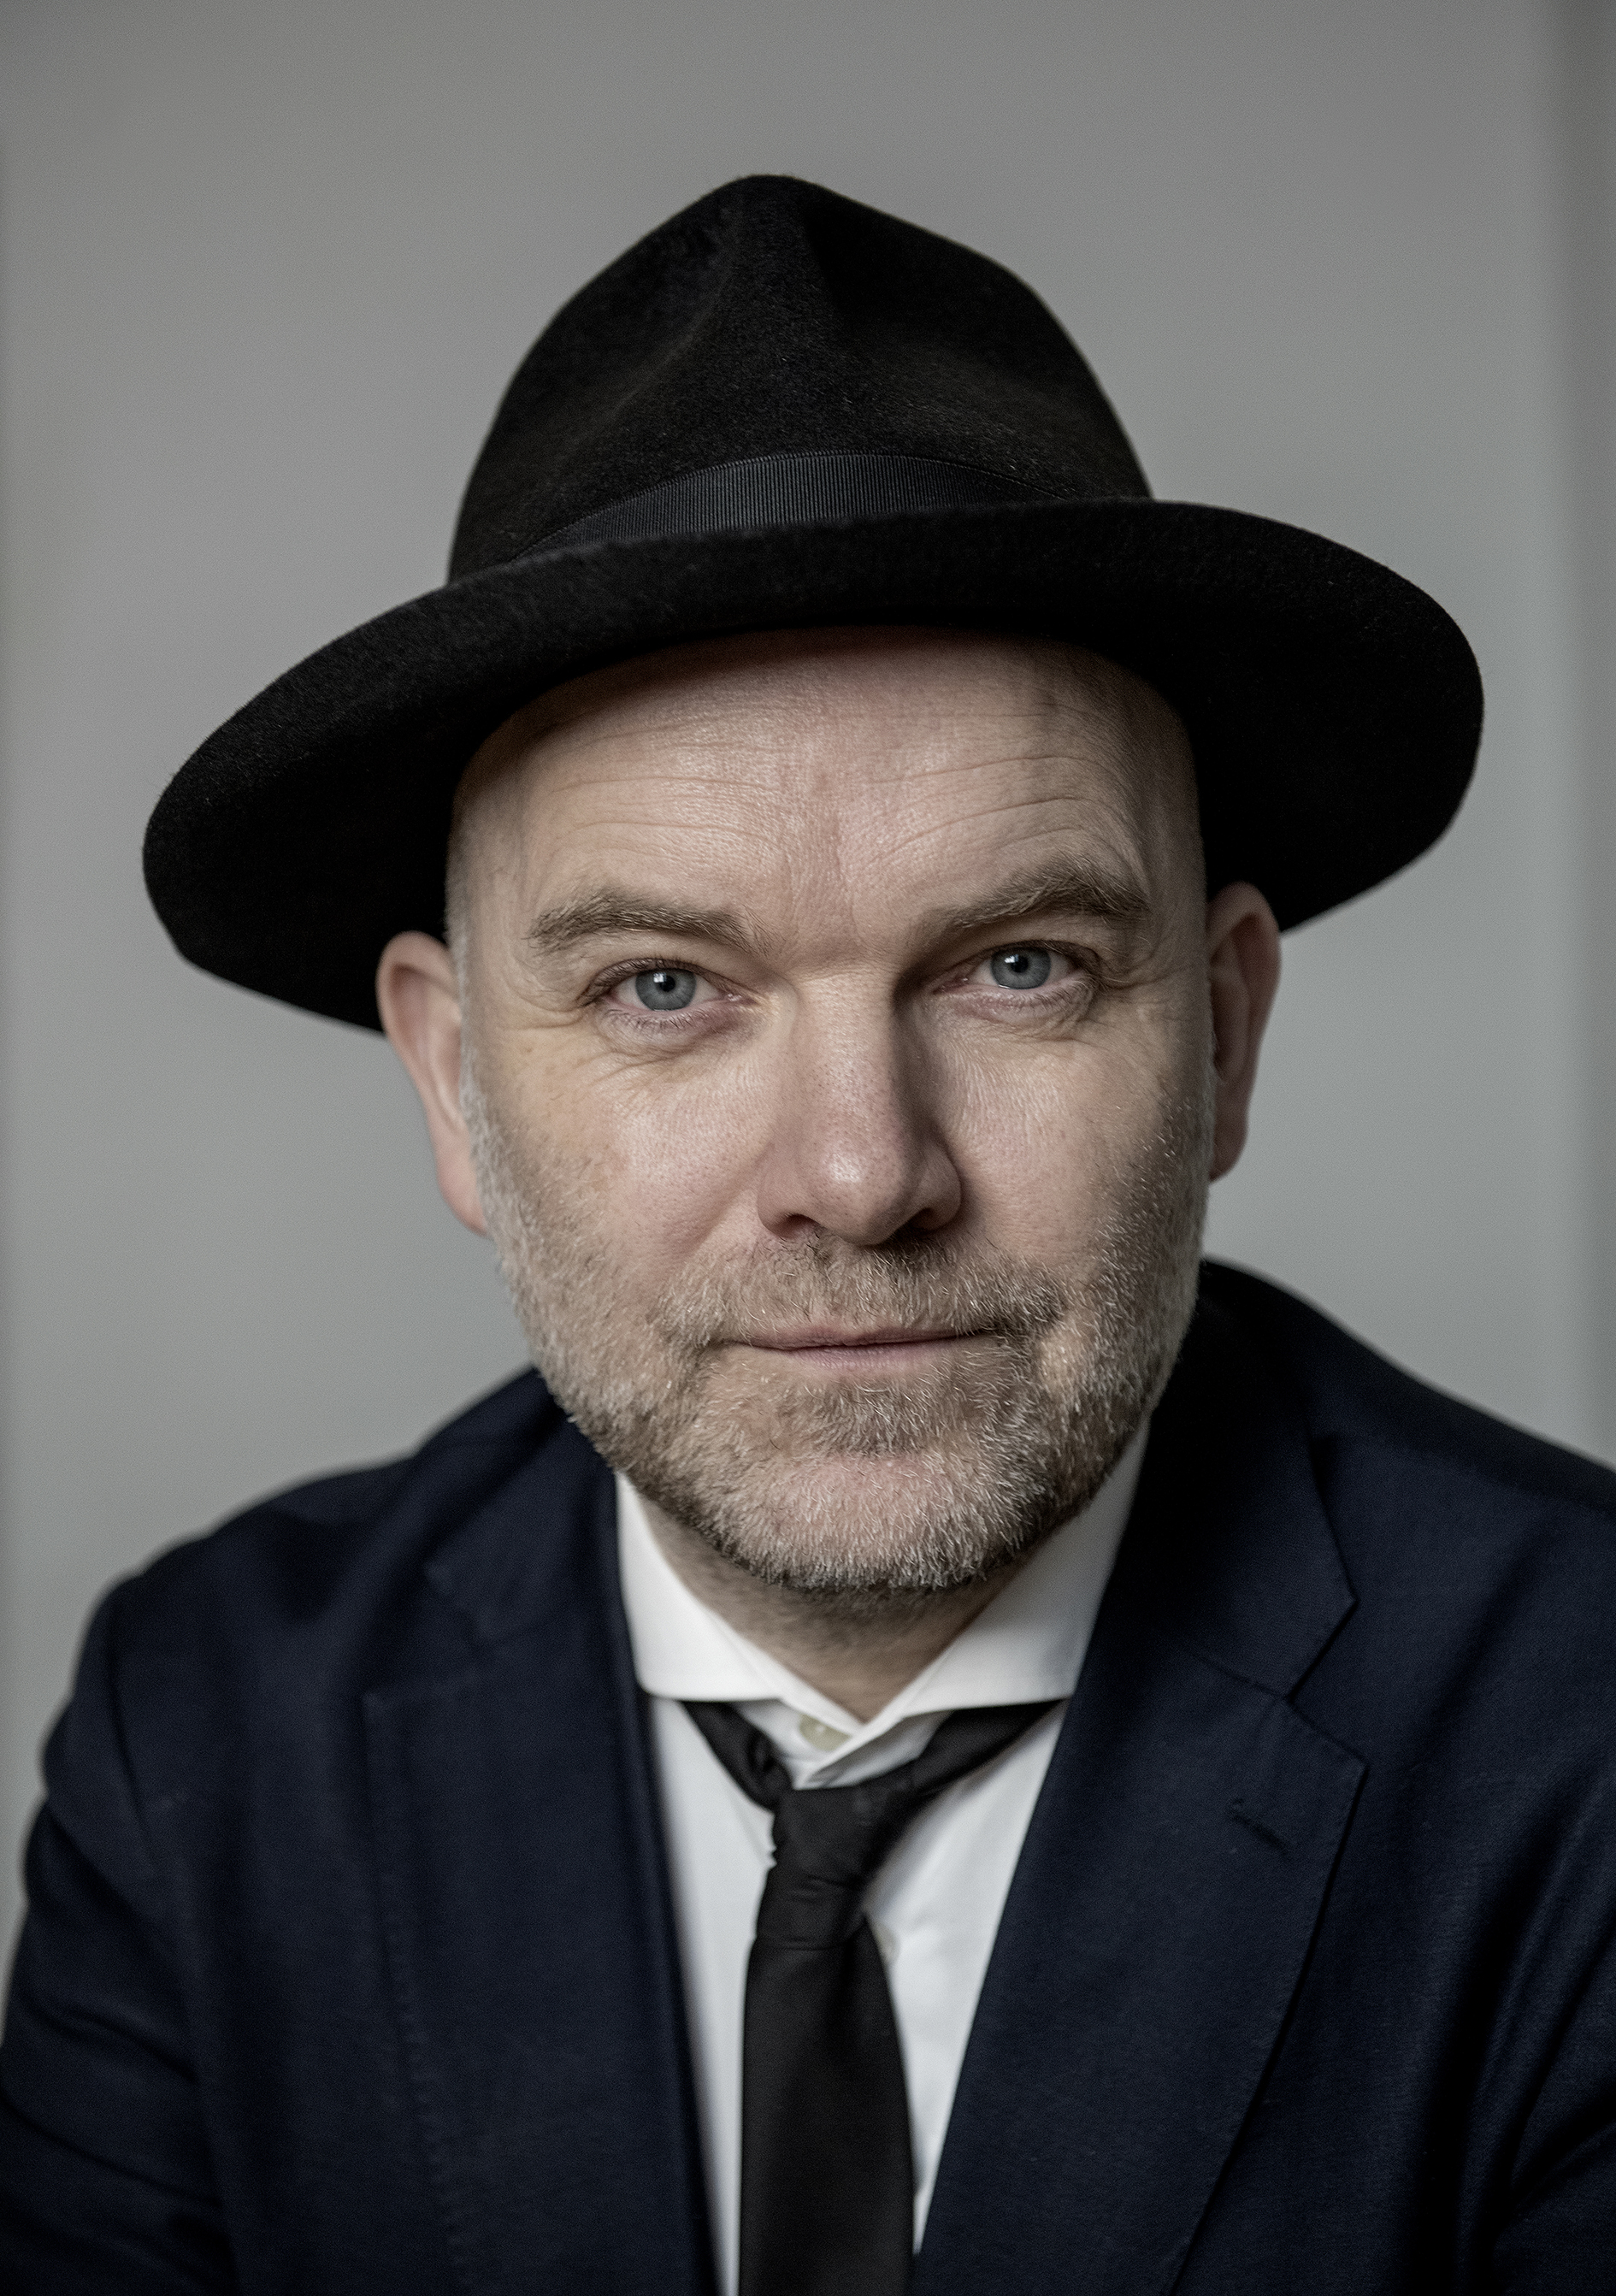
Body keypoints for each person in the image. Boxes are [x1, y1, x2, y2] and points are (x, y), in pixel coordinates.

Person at [1, 174, 1612, 2296]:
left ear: (1222, 1036)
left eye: (1020, 964)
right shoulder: (206, 1740)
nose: (862, 1173)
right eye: (666, 985)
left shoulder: (1585, 1731)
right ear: (454, 1082)